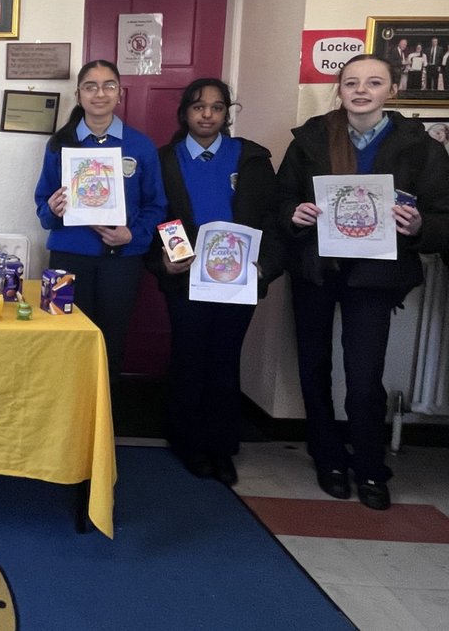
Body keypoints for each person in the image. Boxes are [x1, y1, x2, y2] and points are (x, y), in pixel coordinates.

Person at [278, 53, 449, 510]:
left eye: (373, 82)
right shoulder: (313, 137)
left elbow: (442, 216)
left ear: (391, 90)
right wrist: (293, 215)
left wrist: (418, 227)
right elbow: (282, 198)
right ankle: (327, 457)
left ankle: (371, 467)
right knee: (314, 369)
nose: (360, 90)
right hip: (317, 269)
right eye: (351, 82)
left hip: (374, 276)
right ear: (340, 88)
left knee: (363, 376)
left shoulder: (420, 145)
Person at [145, 79, 283, 486]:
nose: (207, 114)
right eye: (198, 107)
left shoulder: (252, 158)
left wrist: (266, 267)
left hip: (239, 281)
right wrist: (162, 261)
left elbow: (273, 219)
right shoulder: (164, 160)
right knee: (190, 357)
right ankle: (188, 442)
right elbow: (153, 216)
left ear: (227, 114)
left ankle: (221, 446)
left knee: (224, 359)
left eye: (217, 107)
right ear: (184, 112)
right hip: (186, 280)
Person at [34, 59, 167, 381]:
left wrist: (132, 236)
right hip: (68, 257)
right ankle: (65, 423)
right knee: (63, 337)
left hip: (121, 260)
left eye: (108, 86)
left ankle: (104, 425)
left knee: (111, 341)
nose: (100, 93)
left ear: (120, 94)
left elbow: (156, 205)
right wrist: (53, 209)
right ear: (79, 95)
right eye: (90, 86)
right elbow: (42, 207)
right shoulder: (60, 145)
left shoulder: (140, 146)